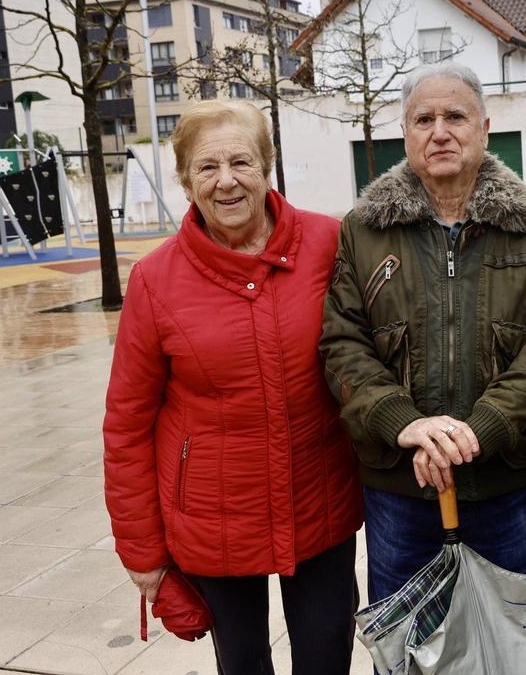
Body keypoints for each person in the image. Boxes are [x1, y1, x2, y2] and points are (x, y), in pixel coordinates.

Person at [103, 100, 362, 675]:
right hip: (215, 518)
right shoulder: (155, 280)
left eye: (241, 161)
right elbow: (127, 423)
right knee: (242, 665)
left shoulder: (331, 243)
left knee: (327, 659)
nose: (226, 181)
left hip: (319, 502)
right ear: (185, 180)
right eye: (206, 167)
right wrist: (141, 551)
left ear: (268, 165)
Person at [320, 61, 526, 603]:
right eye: (423, 119)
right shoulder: (362, 230)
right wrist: (405, 424)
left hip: (506, 485)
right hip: (401, 490)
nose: (440, 131)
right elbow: (343, 345)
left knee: (511, 647)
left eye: (455, 116)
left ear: (483, 129)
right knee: (407, 646)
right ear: (405, 133)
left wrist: (482, 428)